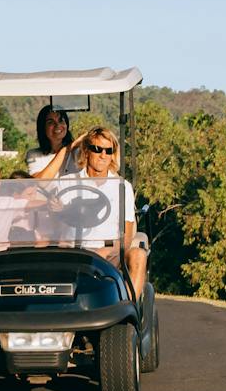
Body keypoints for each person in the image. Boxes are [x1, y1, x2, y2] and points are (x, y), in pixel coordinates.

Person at [73, 126, 146, 299]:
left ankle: (128, 309)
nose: (103, 155)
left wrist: (109, 250)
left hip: (111, 251)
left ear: (113, 154)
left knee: (138, 254)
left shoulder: (122, 186)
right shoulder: (68, 183)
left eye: (108, 150)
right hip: (76, 252)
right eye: (97, 149)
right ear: (86, 151)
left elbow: (127, 234)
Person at [27, 104, 82, 177]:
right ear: (42, 127)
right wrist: (66, 150)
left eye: (61, 120)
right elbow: (40, 183)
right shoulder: (34, 155)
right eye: (51, 122)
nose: (57, 125)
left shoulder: (79, 152)